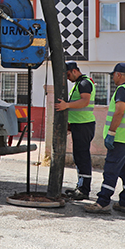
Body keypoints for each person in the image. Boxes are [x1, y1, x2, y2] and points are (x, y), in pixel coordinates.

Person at [84, 62, 125, 215]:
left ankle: (102, 203)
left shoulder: (122, 90)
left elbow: (119, 112)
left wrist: (111, 133)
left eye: (113, 75)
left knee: (111, 169)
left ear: (119, 75)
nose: (113, 79)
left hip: (121, 138)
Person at [54, 61, 95, 200]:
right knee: (79, 157)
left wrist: (66, 105)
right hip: (79, 125)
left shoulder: (84, 83)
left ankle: (84, 190)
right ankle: (81, 186)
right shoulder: (79, 84)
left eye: (67, 74)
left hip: (84, 125)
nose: (67, 78)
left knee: (82, 157)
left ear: (74, 71)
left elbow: (84, 101)